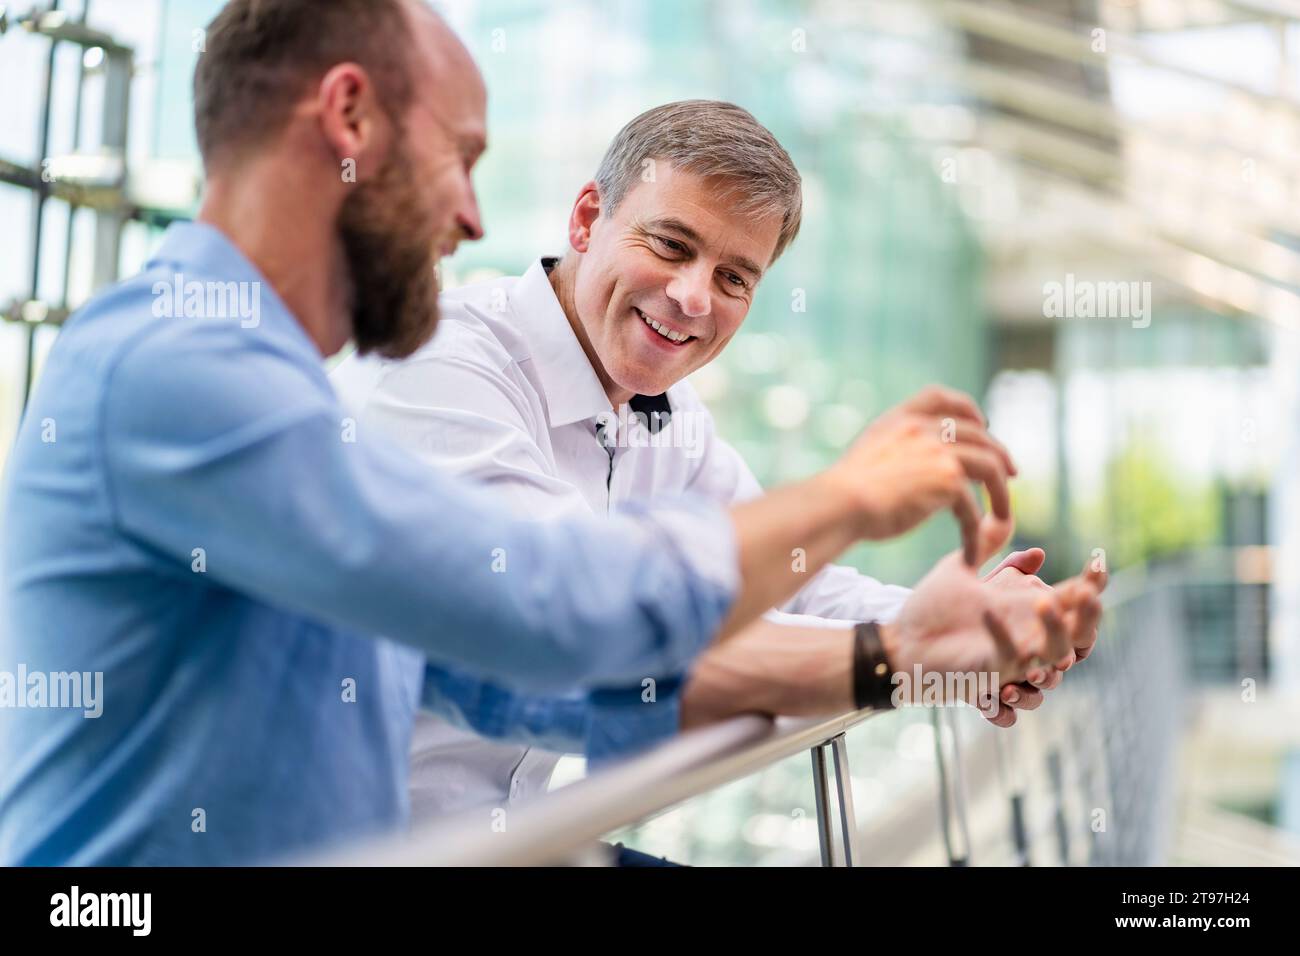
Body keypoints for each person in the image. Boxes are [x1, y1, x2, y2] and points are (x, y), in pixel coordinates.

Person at [0, 1, 1043, 866]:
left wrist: (905, 652)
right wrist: (851, 497)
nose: (472, 217)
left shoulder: (272, 387)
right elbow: (543, 604)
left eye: (735, 277)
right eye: (459, 158)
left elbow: (505, 671)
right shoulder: (184, 369)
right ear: (349, 119)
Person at [332, 99, 1108, 823]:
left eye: (736, 277)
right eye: (671, 245)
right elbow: (580, 615)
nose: (694, 297)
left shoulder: (668, 416)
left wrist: (970, 629)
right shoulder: (443, 363)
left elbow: (791, 580)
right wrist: (911, 645)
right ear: (586, 218)